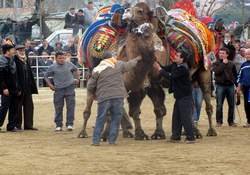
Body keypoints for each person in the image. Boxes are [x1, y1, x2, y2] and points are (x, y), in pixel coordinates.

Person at [87, 51, 141, 146]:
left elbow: (90, 85)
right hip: (118, 96)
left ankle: (96, 141)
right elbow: (129, 65)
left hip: (104, 96)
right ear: (111, 57)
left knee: (101, 118)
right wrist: (137, 58)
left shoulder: (97, 69)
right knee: (116, 118)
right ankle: (112, 140)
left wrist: (93, 93)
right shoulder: (118, 64)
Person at [154, 50, 195, 143]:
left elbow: (171, 76)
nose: (175, 56)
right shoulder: (175, 65)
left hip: (185, 96)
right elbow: (165, 68)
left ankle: (190, 137)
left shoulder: (183, 68)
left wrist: (159, 69)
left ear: (182, 59)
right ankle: (176, 136)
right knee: (176, 117)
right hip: (179, 96)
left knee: (185, 117)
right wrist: (156, 62)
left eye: (177, 55)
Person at [44, 51, 80, 131]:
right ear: (56, 58)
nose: (62, 59)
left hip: (70, 88)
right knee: (58, 108)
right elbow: (46, 76)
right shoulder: (52, 67)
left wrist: (77, 79)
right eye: (60, 58)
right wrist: (50, 85)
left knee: (70, 107)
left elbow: (76, 70)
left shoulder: (70, 64)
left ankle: (70, 124)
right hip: (58, 89)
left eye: (63, 58)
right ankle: (58, 125)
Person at [14, 45, 38, 130]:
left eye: (23, 50)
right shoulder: (14, 61)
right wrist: (17, 88)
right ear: (16, 51)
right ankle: (17, 125)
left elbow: (29, 74)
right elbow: (14, 76)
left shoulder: (25, 60)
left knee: (29, 106)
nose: (22, 51)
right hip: (19, 88)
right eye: (20, 50)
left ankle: (28, 125)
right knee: (17, 107)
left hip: (27, 88)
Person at [213, 48, 238, 127]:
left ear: (227, 54)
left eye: (223, 53)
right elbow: (217, 72)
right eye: (220, 53)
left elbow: (235, 75)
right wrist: (223, 64)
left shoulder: (232, 64)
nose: (221, 55)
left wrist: (237, 86)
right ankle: (219, 122)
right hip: (220, 86)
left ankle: (231, 122)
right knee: (219, 105)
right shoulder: (216, 63)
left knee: (231, 105)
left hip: (230, 86)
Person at [0, 44, 20, 132]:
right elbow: (0, 77)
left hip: (14, 88)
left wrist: (18, 88)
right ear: (7, 51)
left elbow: (15, 76)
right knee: (4, 107)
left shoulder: (12, 61)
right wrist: (4, 88)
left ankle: (11, 126)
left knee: (14, 107)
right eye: (12, 49)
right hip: (6, 89)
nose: (14, 51)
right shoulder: (1, 61)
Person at [237, 49, 250, 128]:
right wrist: (238, 87)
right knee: (246, 105)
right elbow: (239, 77)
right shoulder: (243, 65)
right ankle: (248, 121)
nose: (248, 56)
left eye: (249, 54)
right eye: (247, 54)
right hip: (245, 88)